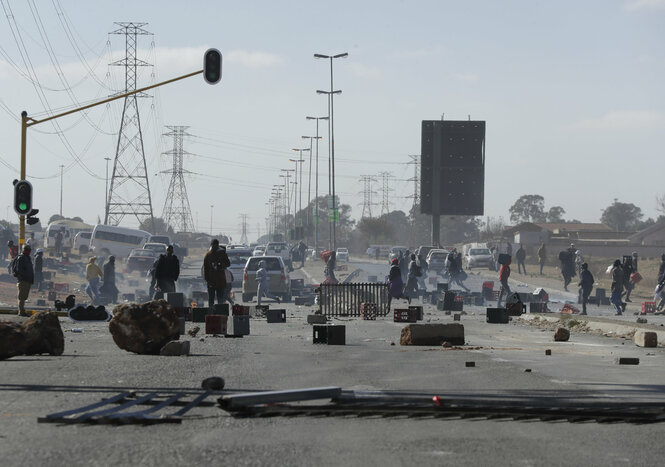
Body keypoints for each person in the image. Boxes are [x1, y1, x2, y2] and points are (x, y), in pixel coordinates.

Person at [203, 239, 231, 308]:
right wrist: (207, 280)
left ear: (217, 245)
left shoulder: (222, 253)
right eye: (213, 246)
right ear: (211, 246)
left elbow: (228, 263)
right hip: (211, 281)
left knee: (220, 299)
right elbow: (205, 269)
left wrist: (221, 265)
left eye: (216, 245)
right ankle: (211, 313)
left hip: (220, 281)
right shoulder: (208, 255)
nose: (215, 247)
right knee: (211, 300)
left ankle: (219, 313)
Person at [14, 244, 34, 317]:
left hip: (27, 280)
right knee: (21, 297)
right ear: (24, 250)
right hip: (23, 280)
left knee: (24, 297)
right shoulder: (21, 258)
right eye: (27, 250)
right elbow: (19, 269)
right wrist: (24, 277)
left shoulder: (27, 258)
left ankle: (22, 310)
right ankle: (21, 311)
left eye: (29, 250)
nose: (29, 252)